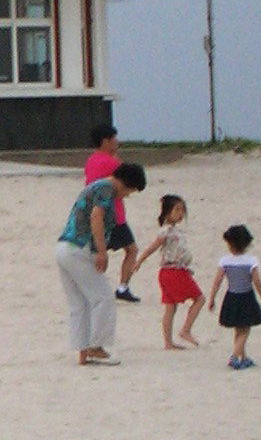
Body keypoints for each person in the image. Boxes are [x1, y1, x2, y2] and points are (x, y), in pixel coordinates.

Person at [55, 157, 147, 365]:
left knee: (80, 303)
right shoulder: (106, 189)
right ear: (126, 183)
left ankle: (83, 351)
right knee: (103, 297)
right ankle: (96, 347)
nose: (126, 196)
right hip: (79, 249)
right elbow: (96, 217)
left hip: (64, 248)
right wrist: (102, 252)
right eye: (129, 192)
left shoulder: (96, 186)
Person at [135, 191, 204, 348]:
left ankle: (168, 342)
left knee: (170, 307)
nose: (181, 214)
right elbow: (153, 247)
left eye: (182, 210)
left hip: (171, 271)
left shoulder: (173, 230)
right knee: (199, 299)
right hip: (174, 271)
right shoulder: (166, 231)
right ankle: (185, 330)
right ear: (168, 212)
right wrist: (140, 260)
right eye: (177, 210)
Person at [83, 123, 142, 301]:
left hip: (93, 211)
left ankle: (91, 288)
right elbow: (127, 175)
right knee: (131, 250)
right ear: (105, 141)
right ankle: (122, 287)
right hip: (114, 215)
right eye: (113, 139)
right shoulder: (111, 162)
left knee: (93, 253)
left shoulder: (91, 160)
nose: (117, 142)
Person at [209, 224, 261, 370]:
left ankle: (243, 356)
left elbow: (217, 282)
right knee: (245, 328)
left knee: (239, 328)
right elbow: (257, 281)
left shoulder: (225, 261)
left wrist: (212, 298)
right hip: (246, 297)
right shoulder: (251, 260)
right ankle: (235, 356)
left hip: (231, 297)